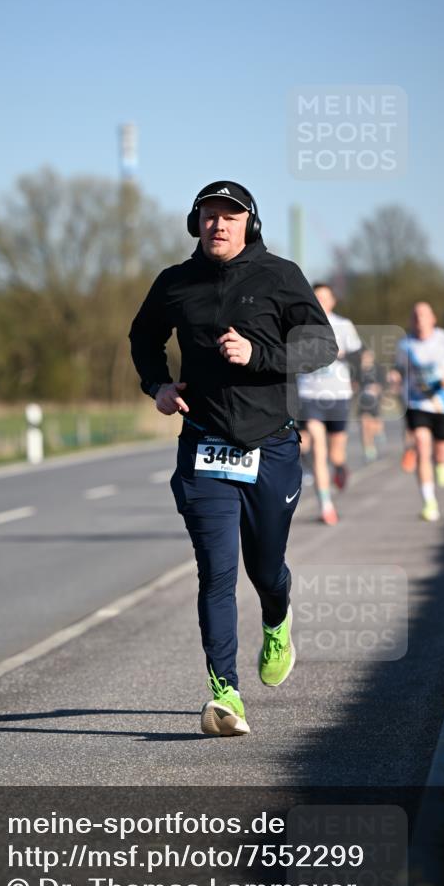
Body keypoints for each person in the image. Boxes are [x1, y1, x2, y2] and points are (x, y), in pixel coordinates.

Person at [129, 180, 337, 736]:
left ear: (250, 222)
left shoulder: (280, 275)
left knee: (265, 568)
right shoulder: (175, 283)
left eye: (229, 215)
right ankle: (225, 695)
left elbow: (322, 345)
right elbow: (143, 337)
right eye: (208, 215)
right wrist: (158, 385)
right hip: (203, 442)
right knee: (216, 573)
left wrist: (258, 354)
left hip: (270, 443)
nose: (218, 224)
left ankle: (277, 617)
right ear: (194, 223)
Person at [393, 302, 444, 521]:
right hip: (417, 403)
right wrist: (395, 376)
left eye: (424, 315)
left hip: (443, 403)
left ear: (433, 319)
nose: (419, 319)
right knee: (421, 445)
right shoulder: (405, 343)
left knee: (441, 451)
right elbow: (399, 368)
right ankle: (429, 502)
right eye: (415, 315)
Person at [296, 284, 362, 525]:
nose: (320, 302)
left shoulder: (343, 326)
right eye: (316, 298)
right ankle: (326, 505)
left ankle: (341, 466)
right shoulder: (300, 325)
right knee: (318, 450)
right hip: (309, 395)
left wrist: (343, 354)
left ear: (333, 301)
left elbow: (359, 355)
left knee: (335, 455)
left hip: (338, 396)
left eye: (325, 298)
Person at [357, 347, 386, 462]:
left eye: (368, 356)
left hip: (374, 402)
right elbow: (355, 385)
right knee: (364, 426)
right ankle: (369, 449)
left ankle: (379, 433)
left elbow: (382, 384)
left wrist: (376, 389)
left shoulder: (378, 369)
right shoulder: (358, 370)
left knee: (374, 425)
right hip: (362, 401)